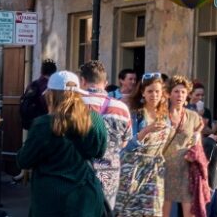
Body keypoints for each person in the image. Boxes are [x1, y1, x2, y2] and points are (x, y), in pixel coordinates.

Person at [16, 70, 108, 217]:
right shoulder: (95, 119)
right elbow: (99, 152)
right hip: (85, 195)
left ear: (51, 95)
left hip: (51, 198)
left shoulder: (43, 124)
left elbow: (24, 161)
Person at [79, 61, 132, 208]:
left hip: (79, 171)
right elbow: (125, 142)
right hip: (110, 173)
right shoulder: (121, 108)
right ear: (106, 82)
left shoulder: (74, 105)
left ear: (82, 81)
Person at [117, 73, 171, 216]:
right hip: (133, 172)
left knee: (153, 212)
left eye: (157, 91)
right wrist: (146, 131)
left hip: (155, 172)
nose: (154, 95)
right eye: (150, 91)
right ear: (143, 93)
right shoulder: (137, 115)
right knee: (129, 212)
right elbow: (127, 146)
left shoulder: (165, 116)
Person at [162, 76, 206, 217]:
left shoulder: (193, 117)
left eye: (183, 92)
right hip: (163, 169)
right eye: (176, 91)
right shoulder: (161, 115)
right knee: (164, 212)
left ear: (187, 94)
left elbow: (197, 145)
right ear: (169, 93)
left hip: (186, 169)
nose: (179, 95)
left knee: (190, 213)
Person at [20, 60, 57, 131]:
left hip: (31, 124)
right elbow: (48, 106)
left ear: (41, 71)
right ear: (54, 73)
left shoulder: (33, 84)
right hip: (43, 125)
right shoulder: (49, 87)